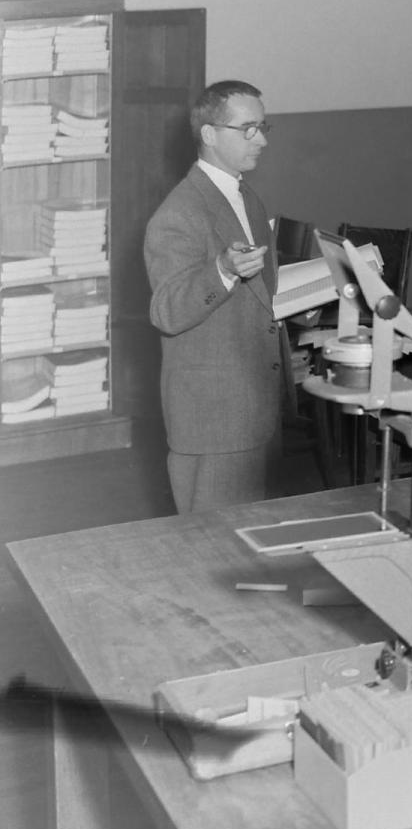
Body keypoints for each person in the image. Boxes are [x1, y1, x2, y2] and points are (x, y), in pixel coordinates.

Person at [144, 80, 281, 513]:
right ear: (209, 134)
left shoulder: (247, 199)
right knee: (211, 554)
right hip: (213, 413)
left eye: (263, 127)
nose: (259, 139)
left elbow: (259, 294)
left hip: (252, 403)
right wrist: (221, 270)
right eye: (247, 128)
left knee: (243, 550)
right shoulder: (178, 213)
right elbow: (166, 312)